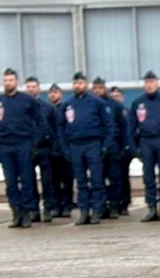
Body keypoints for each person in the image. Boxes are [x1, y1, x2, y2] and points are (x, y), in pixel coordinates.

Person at [59, 71, 115, 226]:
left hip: (93, 144)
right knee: (81, 182)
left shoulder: (97, 102)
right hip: (75, 145)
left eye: (81, 83)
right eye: (75, 83)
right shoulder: (67, 105)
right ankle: (84, 211)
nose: (78, 85)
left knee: (97, 180)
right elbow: (61, 128)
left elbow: (109, 125)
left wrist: (105, 146)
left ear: (86, 84)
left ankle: (97, 210)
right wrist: (65, 148)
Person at [0, 68, 48, 228]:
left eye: (11, 80)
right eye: (5, 80)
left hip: (23, 144)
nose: (8, 83)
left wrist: (34, 143)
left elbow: (41, 123)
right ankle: (17, 213)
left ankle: (27, 213)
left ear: (17, 82)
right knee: (11, 182)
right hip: (5, 146)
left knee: (27, 181)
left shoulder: (27, 100)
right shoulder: (1, 101)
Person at [128, 70, 160, 222]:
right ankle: (151, 207)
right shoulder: (138, 103)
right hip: (146, 141)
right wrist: (133, 148)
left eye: (152, 82)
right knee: (148, 177)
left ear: (157, 83)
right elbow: (131, 127)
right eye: (146, 82)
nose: (149, 85)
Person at [24, 76, 57, 223]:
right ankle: (33, 210)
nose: (31, 89)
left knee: (47, 181)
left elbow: (55, 128)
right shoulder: (22, 107)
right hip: (27, 149)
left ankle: (48, 208)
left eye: (34, 86)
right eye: (29, 87)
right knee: (29, 182)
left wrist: (53, 147)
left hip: (44, 149)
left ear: (39, 88)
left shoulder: (47, 107)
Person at [90, 77, 124, 219]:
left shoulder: (114, 105)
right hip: (95, 146)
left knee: (114, 178)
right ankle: (100, 206)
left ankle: (114, 205)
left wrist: (123, 147)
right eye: (95, 88)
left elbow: (123, 127)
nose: (98, 91)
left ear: (105, 88)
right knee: (98, 179)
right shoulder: (89, 103)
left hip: (112, 146)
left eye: (100, 88)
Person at [46, 84, 74, 217]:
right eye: (51, 93)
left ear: (61, 94)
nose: (53, 95)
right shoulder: (46, 109)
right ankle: (57, 206)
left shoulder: (66, 108)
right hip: (51, 150)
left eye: (56, 92)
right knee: (54, 181)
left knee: (67, 179)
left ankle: (67, 205)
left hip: (65, 149)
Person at [108, 86, 133, 214]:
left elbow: (130, 131)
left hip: (124, 149)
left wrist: (129, 148)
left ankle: (124, 203)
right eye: (112, 97)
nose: (115, 99)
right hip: (112, 149)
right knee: (112, 178)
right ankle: (113, 202)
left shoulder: (127, 112)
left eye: (117, 96)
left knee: (123, 177)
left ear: (122, 98)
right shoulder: (107, 112)